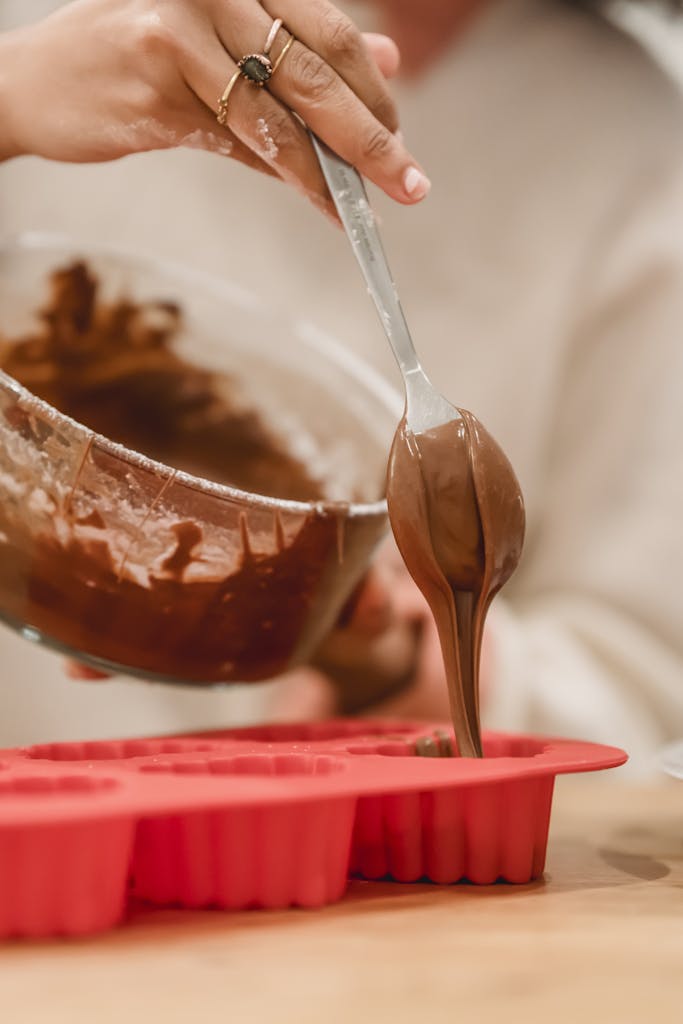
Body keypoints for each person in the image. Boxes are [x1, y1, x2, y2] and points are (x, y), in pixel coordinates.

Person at [1, 0, 682, 773]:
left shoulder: (640, 139)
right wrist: (11, 95)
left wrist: (389, 659)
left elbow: (632, 683)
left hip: (321, 869)